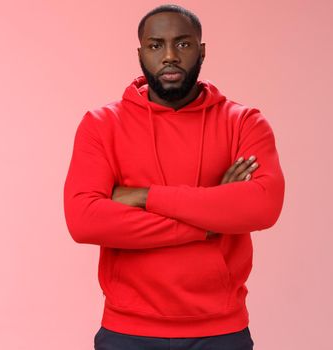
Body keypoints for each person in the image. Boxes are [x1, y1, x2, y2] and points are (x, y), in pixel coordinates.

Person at [63, 4, 285, 349]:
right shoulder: (102, 125)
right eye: (155, 45)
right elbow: (85, 221)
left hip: (220, 331)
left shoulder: (244, 122)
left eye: (183, 44)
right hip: (127, 331)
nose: (169, 56)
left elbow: (263, 207)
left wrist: (142, 196)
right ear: (141, 53)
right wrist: (210, 220)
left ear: (202, 50)